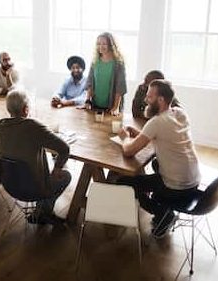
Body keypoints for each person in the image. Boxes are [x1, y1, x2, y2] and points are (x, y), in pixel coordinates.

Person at [114, 79, 201, 238]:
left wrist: (125, 138)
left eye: (149, 97)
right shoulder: (179, 113)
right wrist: (141, 135)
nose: (145, 100)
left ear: (160, 99)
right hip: (193, 182)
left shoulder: (156, 122)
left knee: (122, 181)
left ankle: (163, 214)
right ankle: (159, 202)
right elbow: (165, 136)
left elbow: (128, 151)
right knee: (154, 164)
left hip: (176, 188)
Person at [0, 90, 71, 224]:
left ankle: (41, 210)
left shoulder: (0, 126)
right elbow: (64, 149)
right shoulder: (32, 126)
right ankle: (44, 211)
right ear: (26, 109)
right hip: (33, 188)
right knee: (65, 176)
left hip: (10, 185)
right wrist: (57, 168)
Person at [84, 32, 127, 116]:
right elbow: (90, 83)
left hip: (111, 107)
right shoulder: (95, 61)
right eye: (98, 44)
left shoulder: (118, 63)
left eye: (104, 44)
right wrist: (88, 101)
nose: (100, 46)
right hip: (95, 105)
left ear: (111, 45)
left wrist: (115, 107)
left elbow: (120, 87)